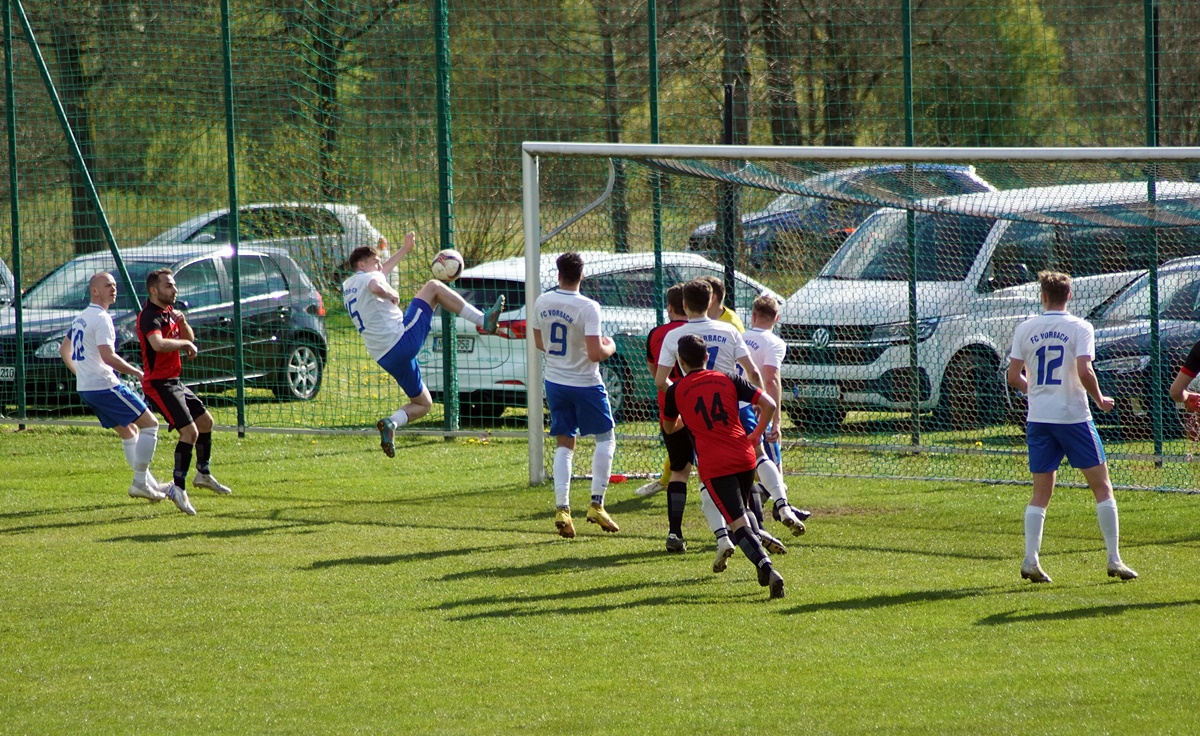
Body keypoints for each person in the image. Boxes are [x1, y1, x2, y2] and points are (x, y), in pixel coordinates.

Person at [1006, 271, 1137, 583]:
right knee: (1102, 487)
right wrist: (1101, 398)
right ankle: (1114, 559)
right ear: (1069, 297)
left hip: (1039, 419)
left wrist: (1036, 391)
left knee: (1040, 492)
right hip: (1074, 417)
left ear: (1043, 296)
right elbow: (1084, 368)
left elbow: (1013, 377)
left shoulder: (1025, 328)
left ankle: (1030, 558)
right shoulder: (1080, 327)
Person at [655, 279, 787, 570]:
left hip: (698, 413)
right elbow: (752, 372)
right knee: (748, 471)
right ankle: (774, 510)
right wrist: (757, 407)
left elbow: (660, 381)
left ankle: (723, 537)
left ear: (685, 305)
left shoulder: (676, 336)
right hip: (735, 404)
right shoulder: (728, 329)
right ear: (712, 299)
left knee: (707, 480)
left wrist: (683, 395)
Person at [341, 232, 505, 456]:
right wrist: (392, 294)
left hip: (384, 356)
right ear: (362, 264)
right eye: (375, 261)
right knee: (433, 287)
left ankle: (391, 423)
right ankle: (483, 320)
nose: (380, 266)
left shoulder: (349, 285)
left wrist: (405, 249)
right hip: (400, 341)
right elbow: (377, 286)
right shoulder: (370, 279)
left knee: (423, 403)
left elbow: (379, 274)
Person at [663, 334, 786, 599]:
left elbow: (669, 427)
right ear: (707, 357)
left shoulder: (676, 390)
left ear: (681, 362)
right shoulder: (729, 378)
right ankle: (760, 544)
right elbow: (769, 404)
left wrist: (690, 419)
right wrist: (757, 435)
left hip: (715, 464)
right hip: (744, 456)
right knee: (741, 513)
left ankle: (767, 568)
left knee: (737, 523)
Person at [59, 272, 173, 507]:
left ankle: (148, 484)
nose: (113, 289)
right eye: (107, 285)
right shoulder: (101, 318)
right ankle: (140, 482)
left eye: (114, 285)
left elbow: (64, 350)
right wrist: (138, 372)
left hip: (87, 389)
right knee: (150, 425)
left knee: (130, 432)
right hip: (105, 386)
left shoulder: (81, 318)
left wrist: (81, 374)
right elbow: (108, 356)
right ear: (94, 291)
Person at [530, 252, 620, 538]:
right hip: (585, 382)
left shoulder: (542, 301)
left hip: (555, 381)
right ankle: (596, 504)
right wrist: (611, 346)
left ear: (558, 274)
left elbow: (539, 341)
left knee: (565, 443)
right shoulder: (588, 307)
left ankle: (562, 509)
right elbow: (595, 354)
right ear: (582, 275)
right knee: (606, 438)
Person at [138, 268, 234, 516]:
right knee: (189, 432)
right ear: (154, 290)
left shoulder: (170, 313)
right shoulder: (150, 316)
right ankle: (177, 488)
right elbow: (158, 345)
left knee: (205, 422)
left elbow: (190, 338)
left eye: (174, 285)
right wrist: (185, 343)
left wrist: (182, 323)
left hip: (175, 381)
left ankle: (202, 473)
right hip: (158, 384)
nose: (175, 289)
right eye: (169, 285)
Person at [742, 295, 809, 534]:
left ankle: (783, 506)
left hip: (733, 408)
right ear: (777, 318)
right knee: (770, 464)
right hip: (757, 409)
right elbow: (771, 379)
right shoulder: (774, 343)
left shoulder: (738, 336)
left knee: (756, 464)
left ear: (753, 315)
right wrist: (776, 420)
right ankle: (780, 509)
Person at [634, 284, 688, 500]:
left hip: (669, 400)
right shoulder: (702, 330)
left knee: (678, 460)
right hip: (701, 397)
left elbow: (654, 371)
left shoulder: (656, 334)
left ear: (669, 307)